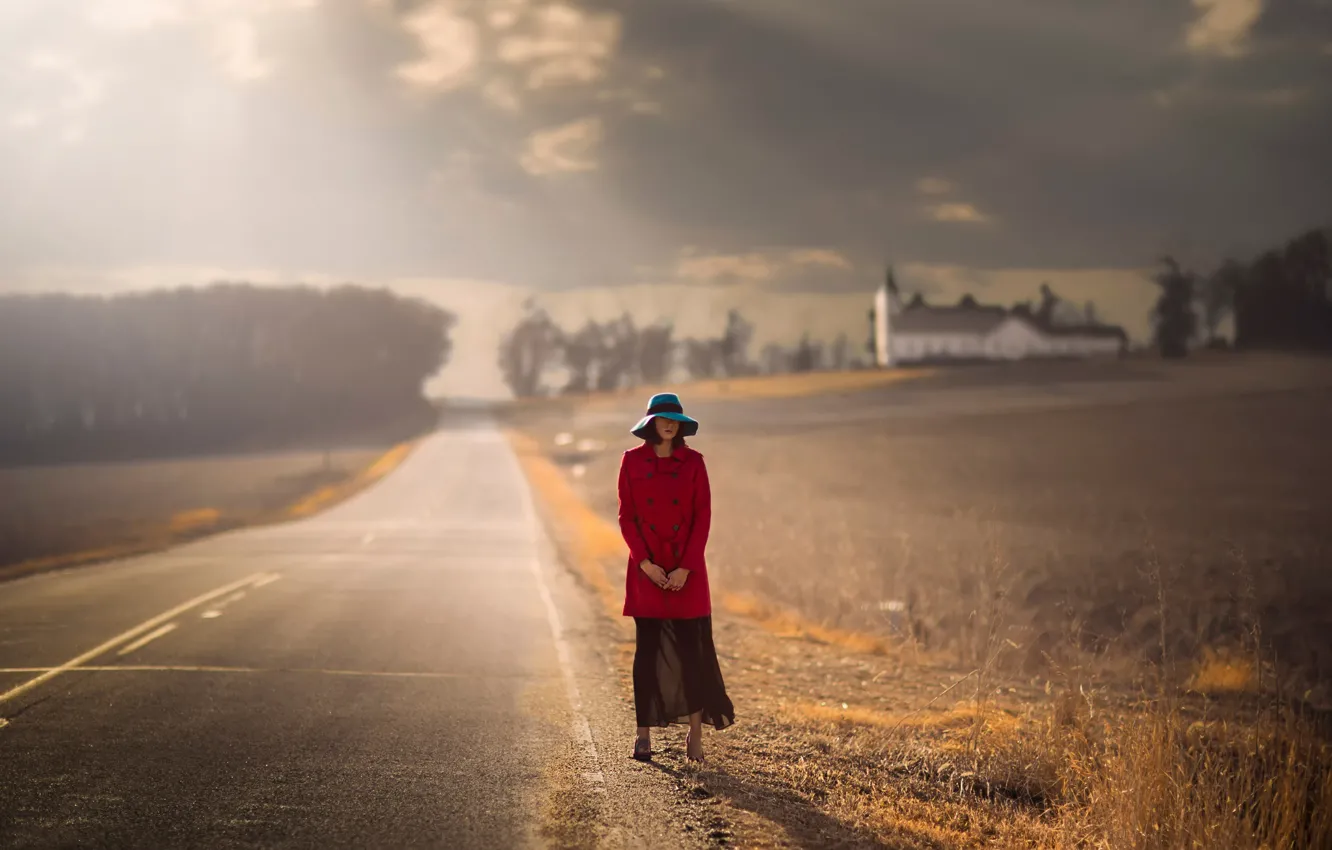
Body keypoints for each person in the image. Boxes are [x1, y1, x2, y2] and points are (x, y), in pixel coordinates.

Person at [617, 392, 735, 764]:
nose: (669, 424)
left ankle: (695, 735)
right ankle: (643, 735)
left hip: (688, 570)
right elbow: (626, 517)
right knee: (646, 653)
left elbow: (703, 517)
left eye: (675, 420)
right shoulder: (631, 460)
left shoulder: (694, 463)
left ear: (681, 426)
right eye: (663, 418)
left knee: (690, 654)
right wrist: (645, 564)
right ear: (650, 423)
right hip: (646, 569)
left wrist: (685, 567)